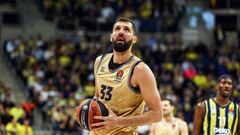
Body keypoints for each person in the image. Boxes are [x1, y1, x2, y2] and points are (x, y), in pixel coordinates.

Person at [90, 17, 163, 135]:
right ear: (111, 36)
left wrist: (117, 122)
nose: (121, 32)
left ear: (134, 39)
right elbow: (97, 97)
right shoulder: (99, 61)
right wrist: (87, 112)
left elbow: (157, 114)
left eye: (127, 30)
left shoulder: (141, 70)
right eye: (117, 29)